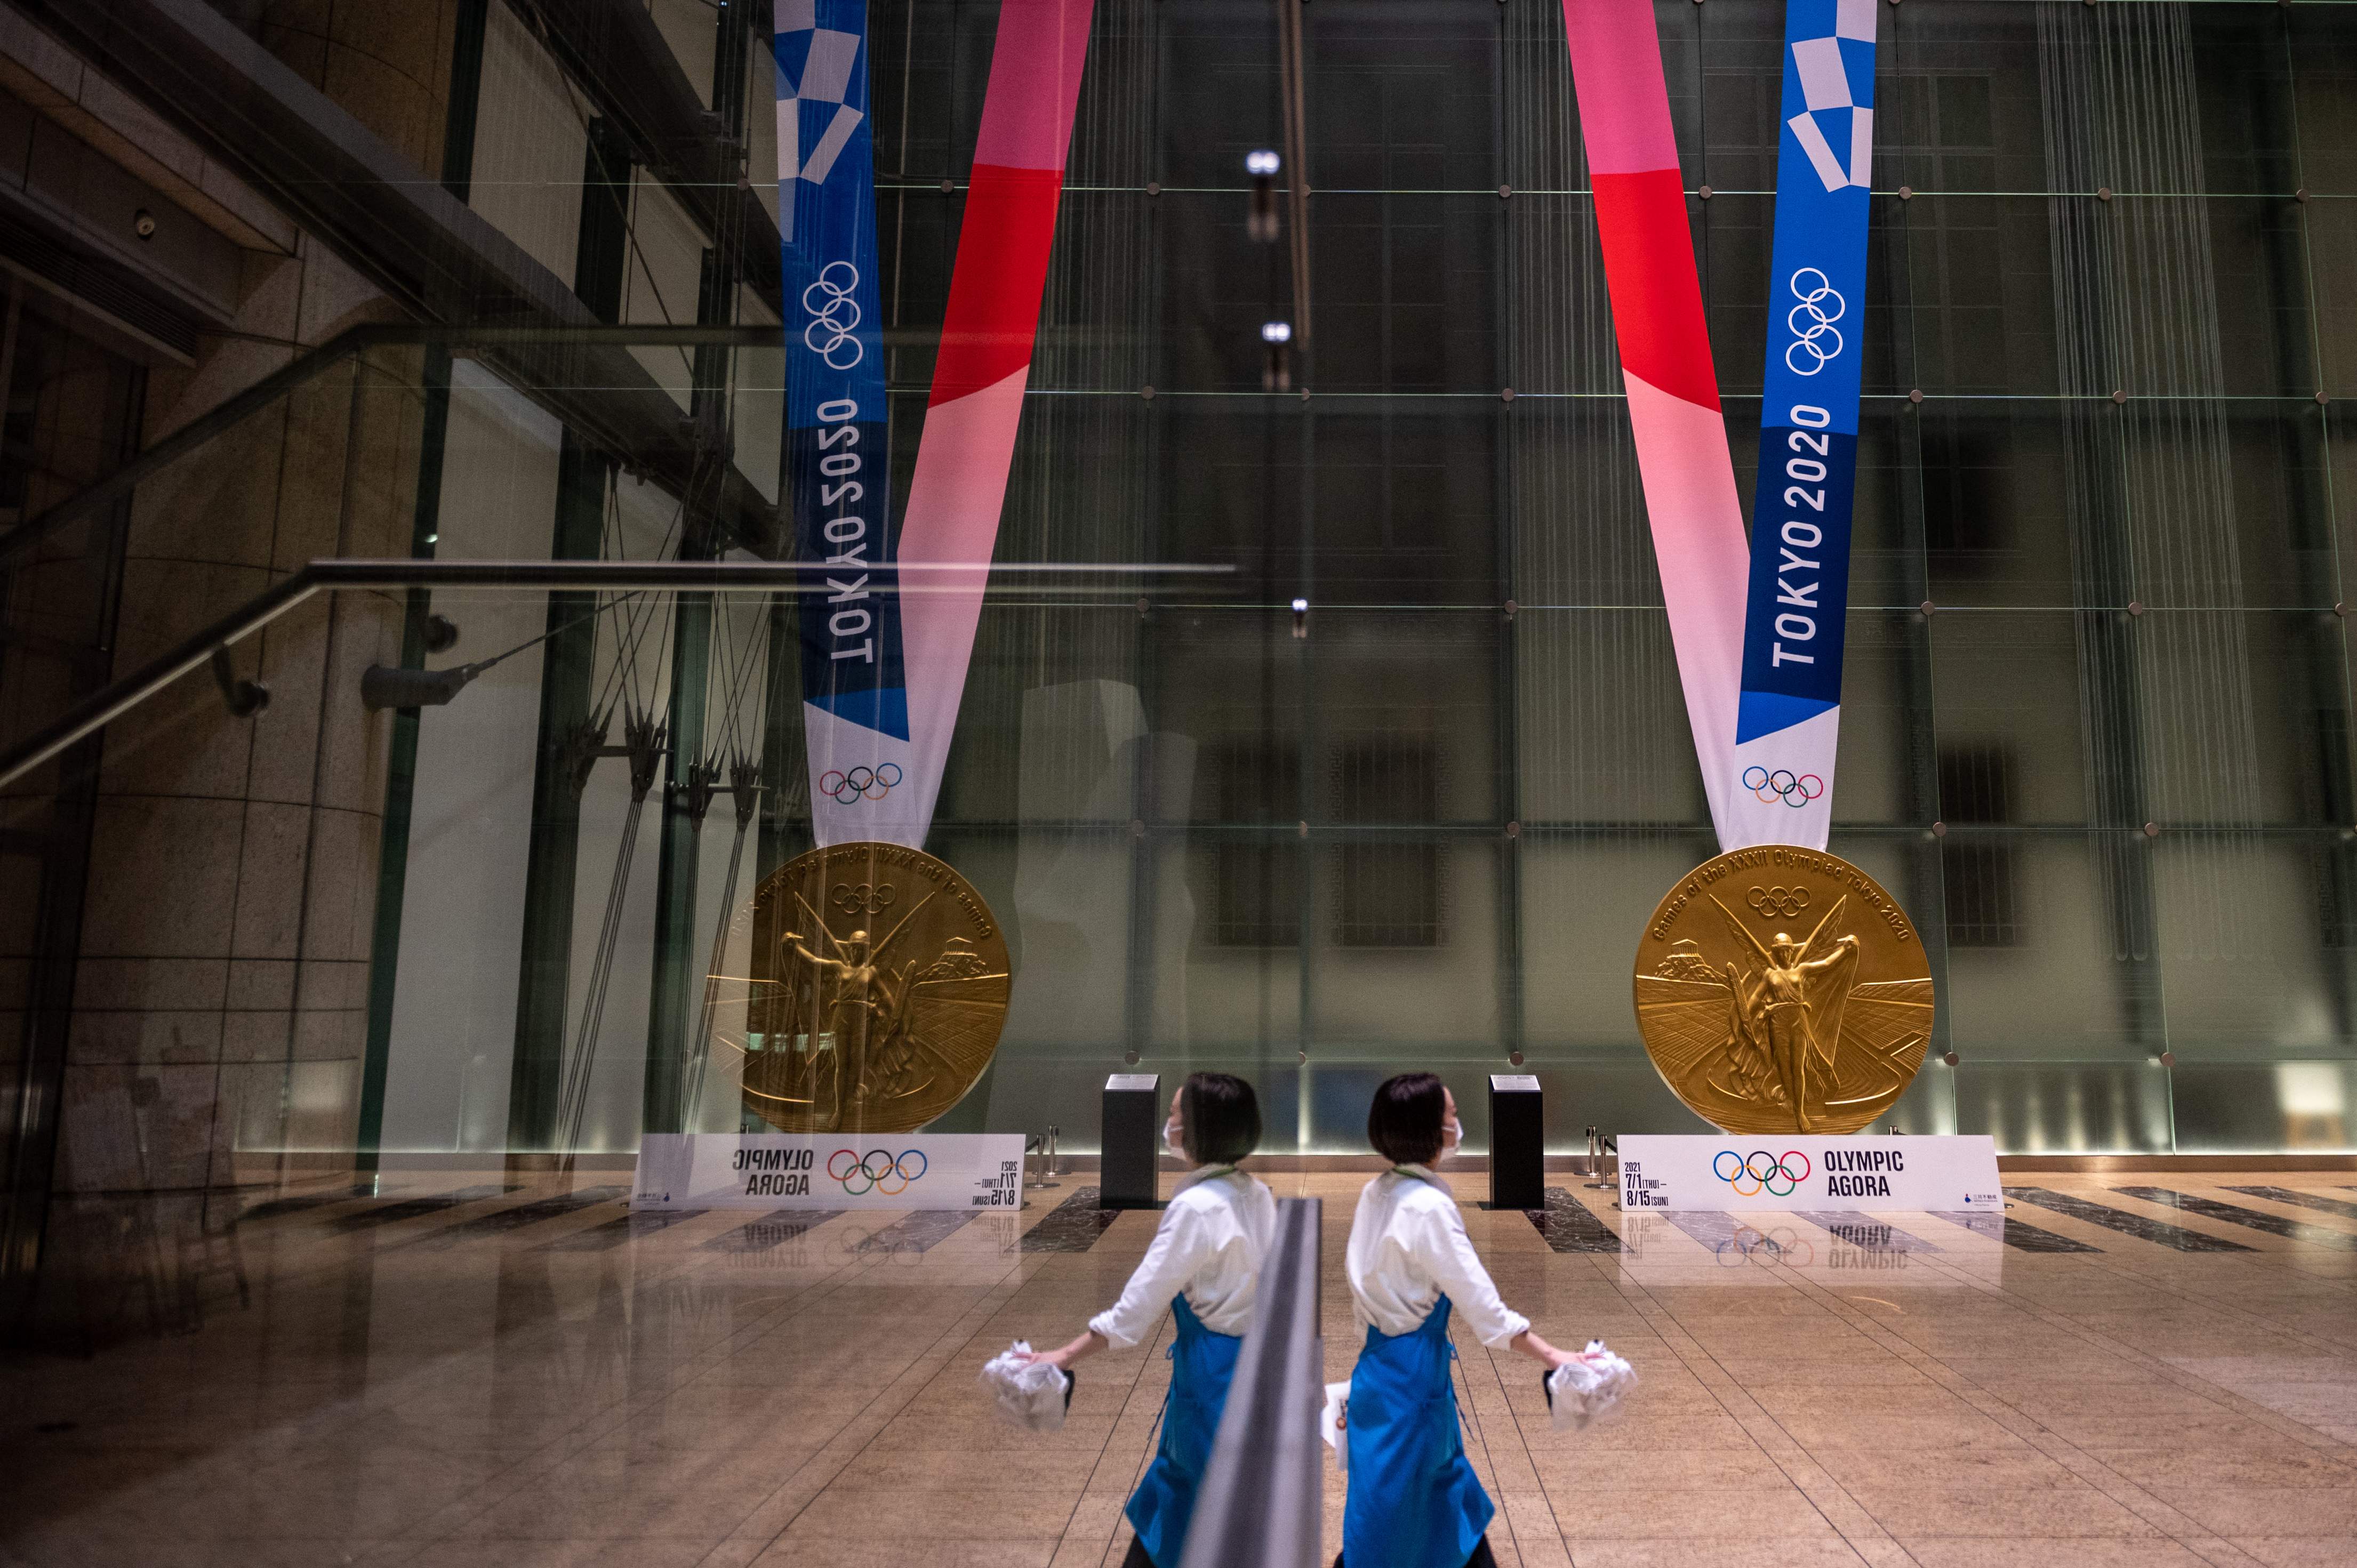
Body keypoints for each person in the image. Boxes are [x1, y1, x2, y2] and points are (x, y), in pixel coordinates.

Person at [1018, 1073, 1274, 1568]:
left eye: (1177, 1115)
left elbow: (1136, 1309)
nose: (1169, 1124)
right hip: (1260, 1372)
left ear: (1201, 1129)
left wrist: (1064, 1355)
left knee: (1188, 1506)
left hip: (1212, 1379)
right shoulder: (1256, 1193)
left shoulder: (1196, 1207)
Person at [1337, 1073, 1594, 1568]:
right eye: (1451, 1117)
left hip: (1374, 1374)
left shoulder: (1377, 1191)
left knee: (1386, 1511)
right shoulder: (1430, 1206)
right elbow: (1483, 1308)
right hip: (1416, 1384)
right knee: (1433, 1512)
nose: (1458, 1125)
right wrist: (1551, 1354)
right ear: (1428, 1130)